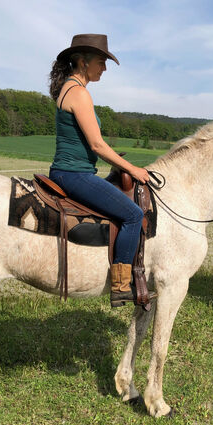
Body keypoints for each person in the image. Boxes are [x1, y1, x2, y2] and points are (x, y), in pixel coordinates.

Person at [48, 34, 155, 307]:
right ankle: (121, 285)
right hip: (74, 175)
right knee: (132, 214)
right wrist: (134, 169)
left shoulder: (70, 89)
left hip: (69, 171)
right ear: (82, 62)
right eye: (101, 62)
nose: (104, 69)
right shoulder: (79, 93)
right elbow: (97, 144)